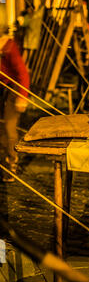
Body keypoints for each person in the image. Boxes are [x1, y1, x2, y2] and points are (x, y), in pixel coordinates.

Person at [0, 25, 30, 182]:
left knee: (9, 128)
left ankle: (12, 163)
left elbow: (23, 74)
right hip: (2, 89)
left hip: (14, 90)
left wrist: (22, 97)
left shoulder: (9, 48)